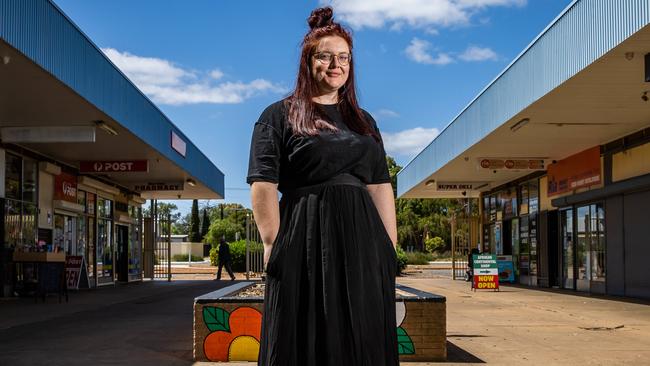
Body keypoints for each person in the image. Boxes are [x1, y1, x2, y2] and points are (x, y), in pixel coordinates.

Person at [247, 6, 399, 365]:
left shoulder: (364, 122)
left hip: (363, 241)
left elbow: (379, 186)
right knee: (302, 331)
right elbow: (263, 184)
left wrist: (388, 248)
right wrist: (273, 243)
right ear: (308, 62)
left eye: (343, 57)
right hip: (304, 238)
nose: (336, 65)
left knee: (361, 332)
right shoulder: (277, 115)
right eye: (326, 56)